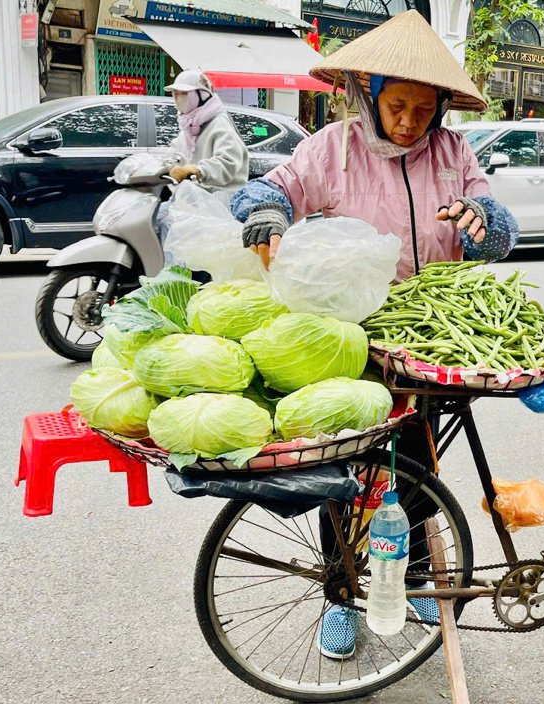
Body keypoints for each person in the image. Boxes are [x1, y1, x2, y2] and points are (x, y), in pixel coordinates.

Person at [229, 10, 519, 661]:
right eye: (398, 105)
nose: (411, 121)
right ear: (369, 92)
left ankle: (410, 576)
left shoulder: (453, 152)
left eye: (424, 108)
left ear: (442, 106)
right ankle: (341, 594)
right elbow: (268, 191)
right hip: (349, 343)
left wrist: (485, 222)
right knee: (352, 474)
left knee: (413, 472)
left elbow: (498, 226)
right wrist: (266, 214)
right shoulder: (330, 148)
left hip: (428, 343)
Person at [155, 70, 249, 247]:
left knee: (173, 228)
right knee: (155, 216)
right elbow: (174, 155)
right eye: (175, 94)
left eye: (184, 94)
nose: (177, 98)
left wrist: (198, 170)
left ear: (201, 95)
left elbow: (227, 162)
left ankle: (179, 273)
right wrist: (159, 167)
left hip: (216, 202)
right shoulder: (189, 125)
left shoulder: (219, 125)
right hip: (192, 200)